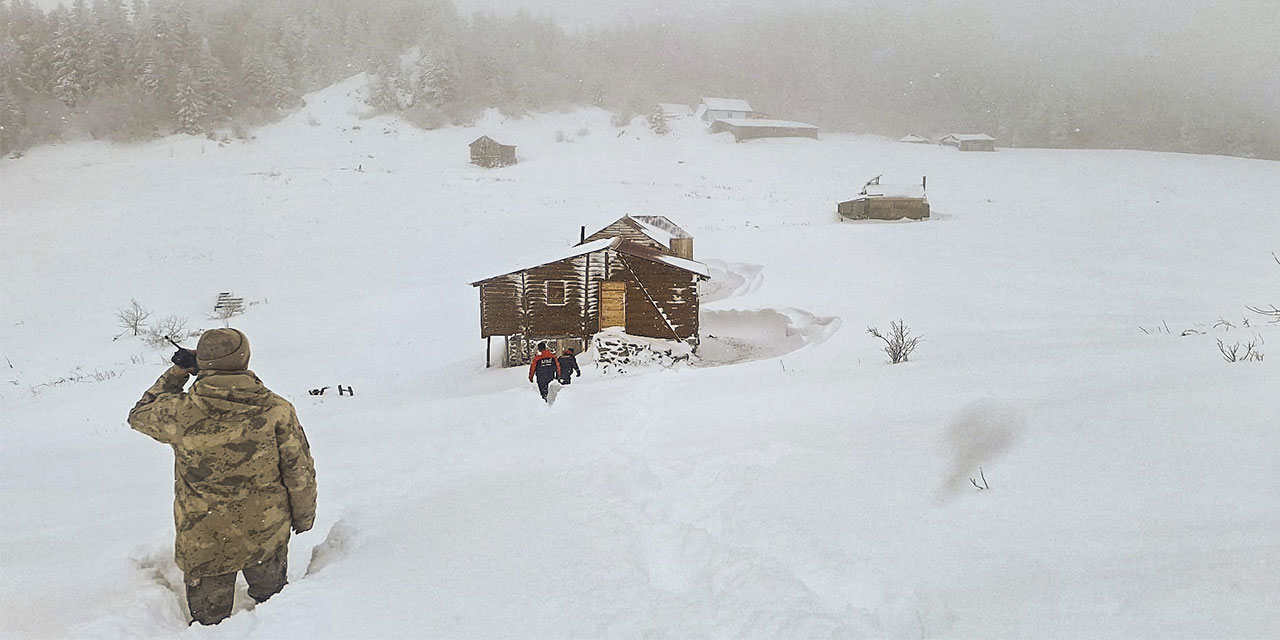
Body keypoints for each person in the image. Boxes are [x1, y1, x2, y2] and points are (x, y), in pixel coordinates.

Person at [127, 328, 317, 626]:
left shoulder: (181, 413)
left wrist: (178, 373)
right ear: (244, 359)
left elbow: (139, 414)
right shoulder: (277, 409)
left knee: (210, 627)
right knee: (278, 614)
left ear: (202, 362)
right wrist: (304, 517)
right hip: (267, 533)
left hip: (206, 542)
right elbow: (299, 471)